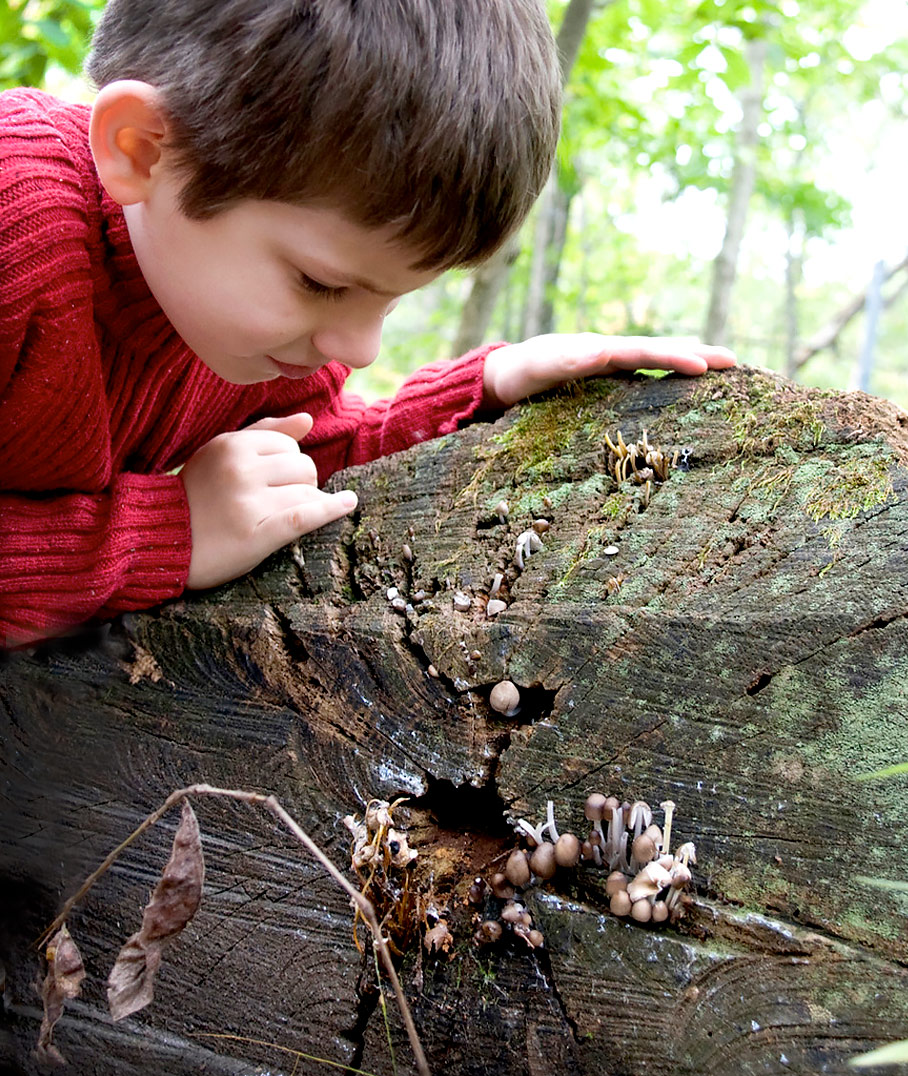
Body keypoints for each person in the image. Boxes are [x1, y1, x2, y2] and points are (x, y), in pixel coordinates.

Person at [0, 0, 735, 648]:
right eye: (322, 283)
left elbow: (316, 457)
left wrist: (486, 386)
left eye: (390, 301)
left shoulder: (238, 325)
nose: (359, 346)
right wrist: (169, 533)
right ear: (142, 149)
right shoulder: (16, 222)